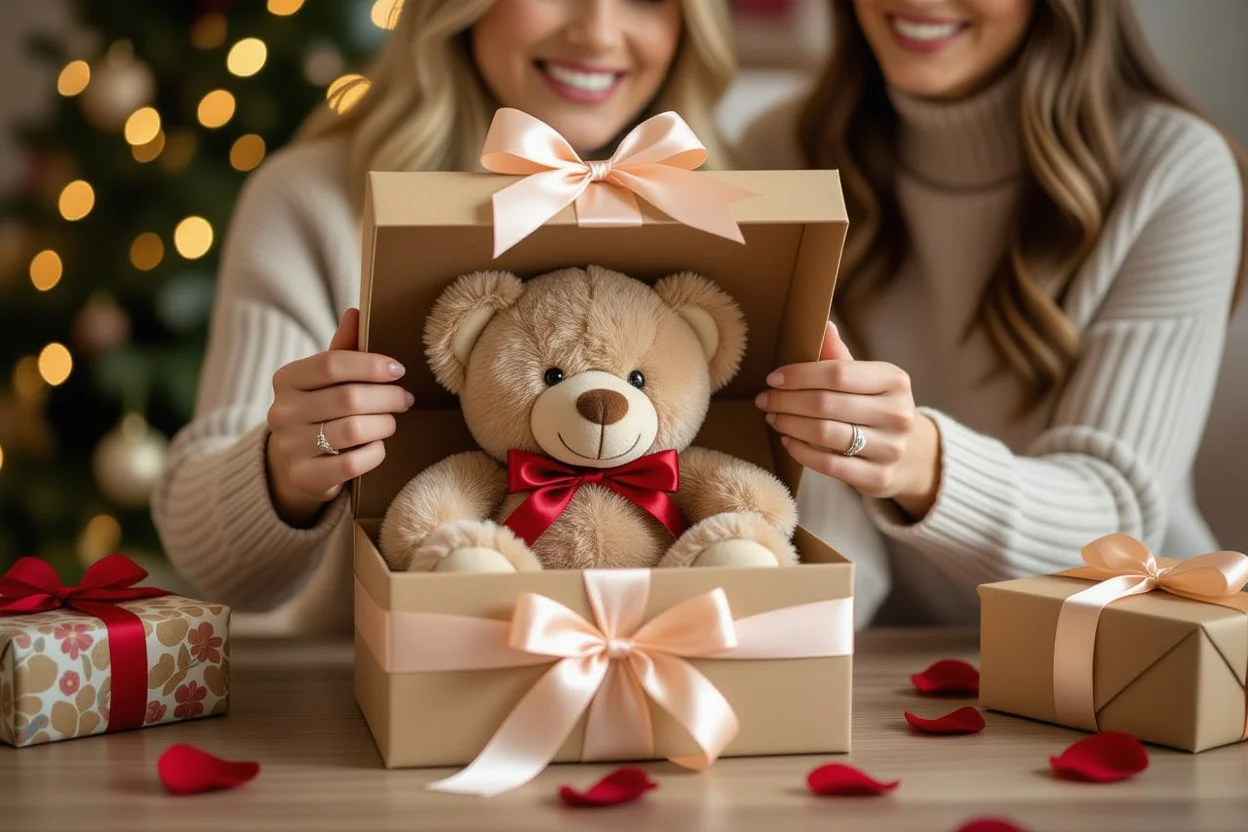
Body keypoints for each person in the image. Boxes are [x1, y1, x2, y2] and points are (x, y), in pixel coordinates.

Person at [151, 0, 738, 629]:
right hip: (393, 673)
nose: (597, 33)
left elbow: (789, 537)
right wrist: (287, 470)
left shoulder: (742, 202)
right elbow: (218, 569)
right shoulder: (317, 198)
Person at [743, 0, 1246, 626]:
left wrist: (919, 460)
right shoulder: (782, 148)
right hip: (882, 653)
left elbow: (1117, 534)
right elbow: (802, 491)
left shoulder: (1173, 168)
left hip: (1116, 646)